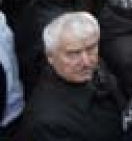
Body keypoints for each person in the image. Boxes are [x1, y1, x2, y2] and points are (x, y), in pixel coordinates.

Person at [18, 12, 124, 140]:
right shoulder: (46, 122)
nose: (86, 62)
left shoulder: (96, 67)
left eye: (91, 48)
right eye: (73, 54)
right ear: (50, 56)